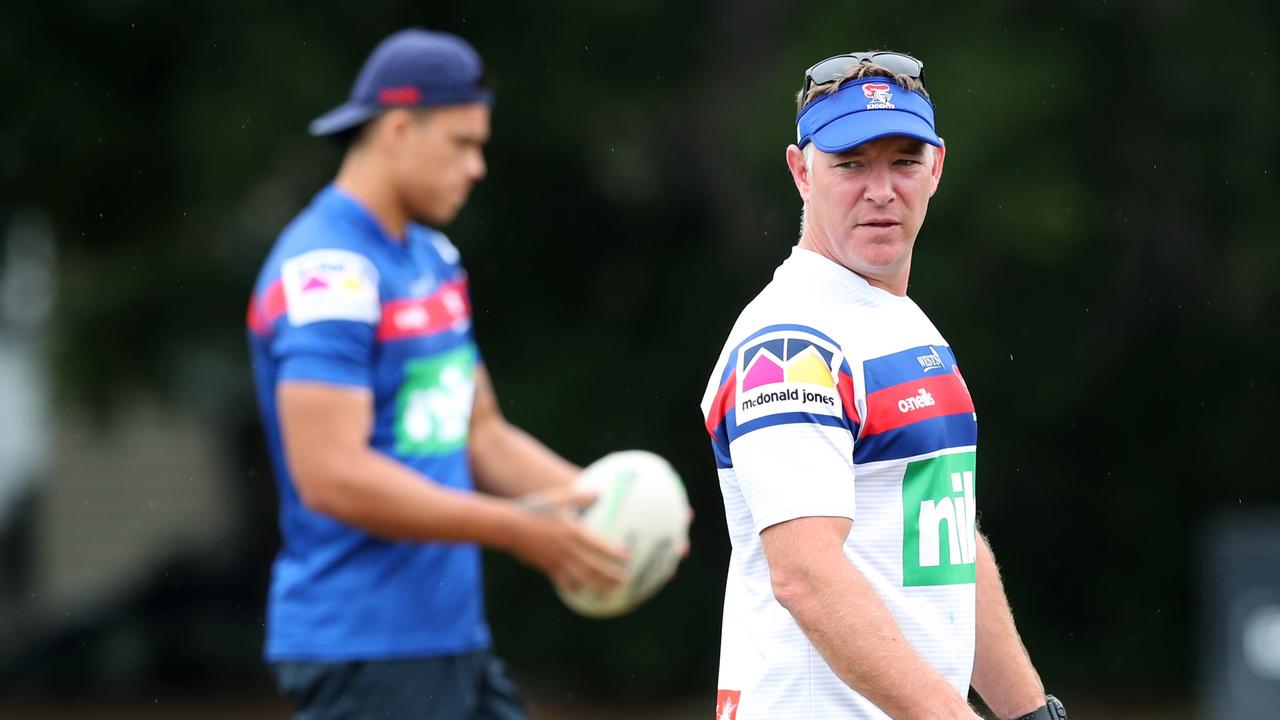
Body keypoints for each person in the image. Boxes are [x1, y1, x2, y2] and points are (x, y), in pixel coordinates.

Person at [246, 28, 628, 720]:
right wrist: (516, 529)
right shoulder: (328, 272)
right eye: (461, 143)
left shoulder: (432, 258)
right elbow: (330, 475)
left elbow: (481, 434)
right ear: (397, 130)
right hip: (363, 649)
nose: (478, 166)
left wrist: (609, 507)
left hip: (450, 640)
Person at [699, 52, 1067, 720]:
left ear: (937, 168)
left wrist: (1030, 713)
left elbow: (949, 540)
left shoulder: (899, 323)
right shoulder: (788, 345)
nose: (880, 190)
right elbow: (806, 577)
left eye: (902, 161)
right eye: (850, 164)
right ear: (799, 171)